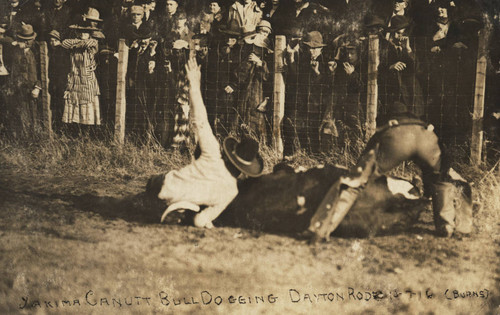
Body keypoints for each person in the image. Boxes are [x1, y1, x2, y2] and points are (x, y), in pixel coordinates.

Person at [308, 101, 473, 241]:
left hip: (397, 138)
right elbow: (443, 161)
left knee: (356, 181)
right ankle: (449, 225)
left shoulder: (389, 123)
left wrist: (360, 173)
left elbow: (366, 159)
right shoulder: (421, 122)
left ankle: (322, 227)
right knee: (442, 180)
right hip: (427, 138)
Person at [146, 57, 264, 229]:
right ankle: (186, 207)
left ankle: (179, 202)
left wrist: (194, 83)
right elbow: (200, 222)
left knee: (161, 183)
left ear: (231, 152)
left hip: (161, 186)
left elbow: (200, 119)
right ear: (245, 170)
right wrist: (206, 222)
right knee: (201, 211)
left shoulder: (213, 154)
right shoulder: (232, 191)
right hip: (190, 199)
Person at [61, 22, 101, 133]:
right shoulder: (74, 42)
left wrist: (75, 45)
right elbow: (64, 43)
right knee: (74, 101)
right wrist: (77, 43)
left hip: (87, 79)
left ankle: (88, 132)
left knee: (86, 102)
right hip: (74, 78)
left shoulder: (93, 42)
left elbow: (89, 44)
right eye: (81, 32)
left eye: (86, 32)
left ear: (90, 34)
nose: (83, 34)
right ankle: (75, 130)